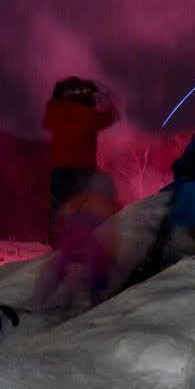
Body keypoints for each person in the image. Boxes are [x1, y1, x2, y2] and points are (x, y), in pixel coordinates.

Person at [37, 170, 119, 312]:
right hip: (84, 246)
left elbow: (63, 219)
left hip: (81, 246)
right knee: (90, 269)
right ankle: (92, 301)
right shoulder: (101, 205)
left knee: (67, 269)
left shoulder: (85, 202)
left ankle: (49, 301)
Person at [41, 76, 118, 226]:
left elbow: (47, 123)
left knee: (59, 206)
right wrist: (107, 102)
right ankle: (77, 238)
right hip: (83, 169)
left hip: (61, 168)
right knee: (83, 207)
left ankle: (57, 238)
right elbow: (109, 118)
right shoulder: (86, 114)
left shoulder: (56, 110)